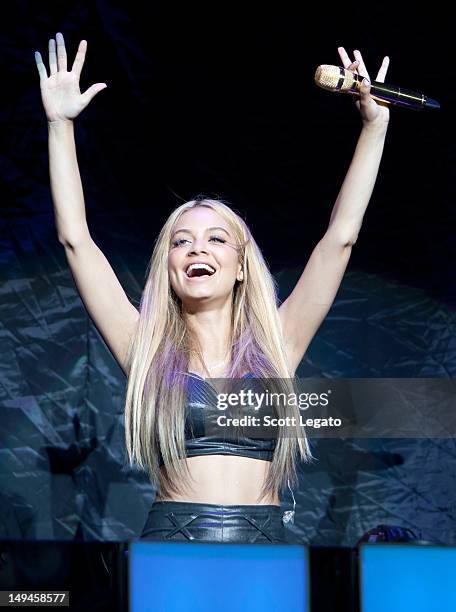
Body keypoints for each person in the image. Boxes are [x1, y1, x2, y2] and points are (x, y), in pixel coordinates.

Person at [34, 32, 390, 543]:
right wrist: (59, 125)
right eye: (182, 241)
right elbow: (76, 241)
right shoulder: (144, 348)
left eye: (217, 239)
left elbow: (341, 238)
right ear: (168, 266)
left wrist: (374, 127)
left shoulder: (278, 344)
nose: (198, 249)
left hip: (265, 546)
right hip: (174, 543)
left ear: (242, 265)